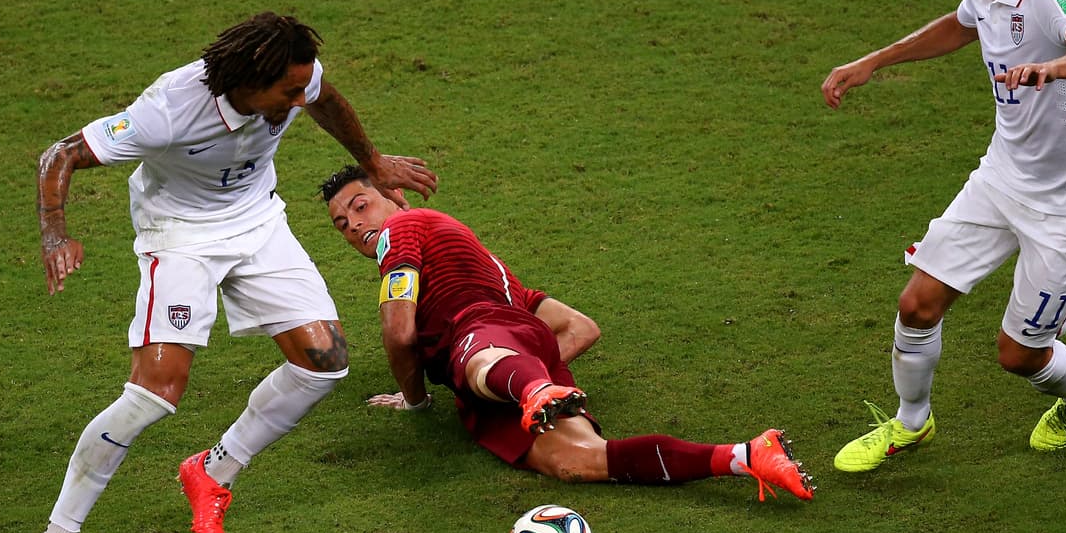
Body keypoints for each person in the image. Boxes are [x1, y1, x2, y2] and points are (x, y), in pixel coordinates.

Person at [23, 13, 439, 533]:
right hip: (180, 235)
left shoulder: (296, 81)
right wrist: (55, 235)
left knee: (325, 361)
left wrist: (372, 161)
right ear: (248, 80)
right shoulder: (167, 108)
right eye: (288, 92)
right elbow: (59, 155)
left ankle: (213, 471)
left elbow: (326, 100)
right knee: (153, 394)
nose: (301, 97)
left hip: (257, 221)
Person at [820, 0, 1066, 472]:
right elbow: (961, 25)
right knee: (918, 305)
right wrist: (874, 61)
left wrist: (1052, 69)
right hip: (1001, 179)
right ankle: (911, 423)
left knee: (1019, 355)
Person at [319, 165, 815, 502]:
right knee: (578, 462)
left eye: (361, 206)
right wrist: (530, 370)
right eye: (342, 223)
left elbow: (399, 330)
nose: (355, 225)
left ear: (393, 197)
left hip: (487, 344)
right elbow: (580, 327)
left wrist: (417, 401)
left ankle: (532, 388)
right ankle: (746, 456)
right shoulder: (489, 266)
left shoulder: (400, 231)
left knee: (483, 357)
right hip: (517, 353)